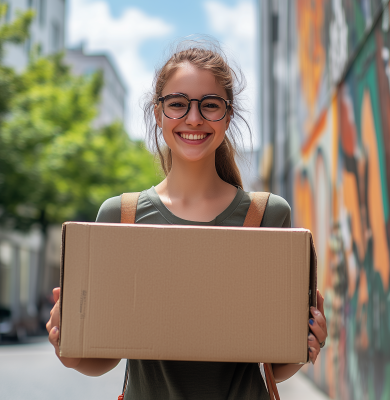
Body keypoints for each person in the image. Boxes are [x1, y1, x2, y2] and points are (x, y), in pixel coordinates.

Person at [47, 41, 328, 400]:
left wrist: (304, 345)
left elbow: (274, 362)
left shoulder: (269, 215)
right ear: (158, 113)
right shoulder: (120, 217)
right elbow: (106, 356)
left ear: (227, 115)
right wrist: (66, 344)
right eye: (178, 104)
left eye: (209, 105)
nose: (193, 118)